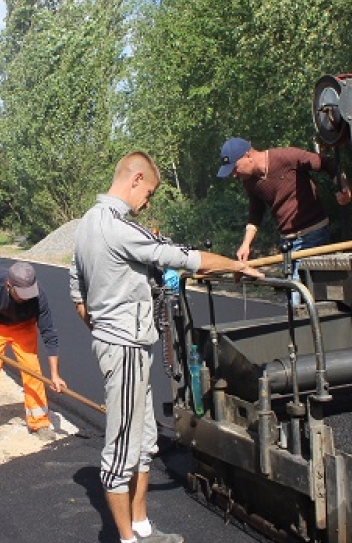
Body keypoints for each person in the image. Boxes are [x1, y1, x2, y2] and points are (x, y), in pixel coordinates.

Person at [70, 151, 261, 543]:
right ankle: (127, 540)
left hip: (126, 345)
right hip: (124, 348)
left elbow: (78, 296)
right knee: (122, 446)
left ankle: (142, 528)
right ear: (136, 178)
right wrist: (237, 266)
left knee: (142, 442)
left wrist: (104, 327)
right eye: (150, 192)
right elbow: (183, 257)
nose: (148, 202)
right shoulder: (117, 226)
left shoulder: (86, 225)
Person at [217, 137, 352, 304]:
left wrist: (343, 187)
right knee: (293, 293)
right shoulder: (249, 182)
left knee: (302, 296)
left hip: (314, 233)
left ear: (247, 155)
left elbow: (327, 163)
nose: (234, 175)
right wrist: (246, 244)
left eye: (235, 169)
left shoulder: (285, 157)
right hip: (287, 242)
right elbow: (256, 213)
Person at [0, 261, 65, 442]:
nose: (26, 298)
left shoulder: (38, 295)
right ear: (9, 285)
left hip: (23, 326)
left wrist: (55, 375)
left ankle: (39, 422)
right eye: (22, 294)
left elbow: (49, 334)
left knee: (32, 371)